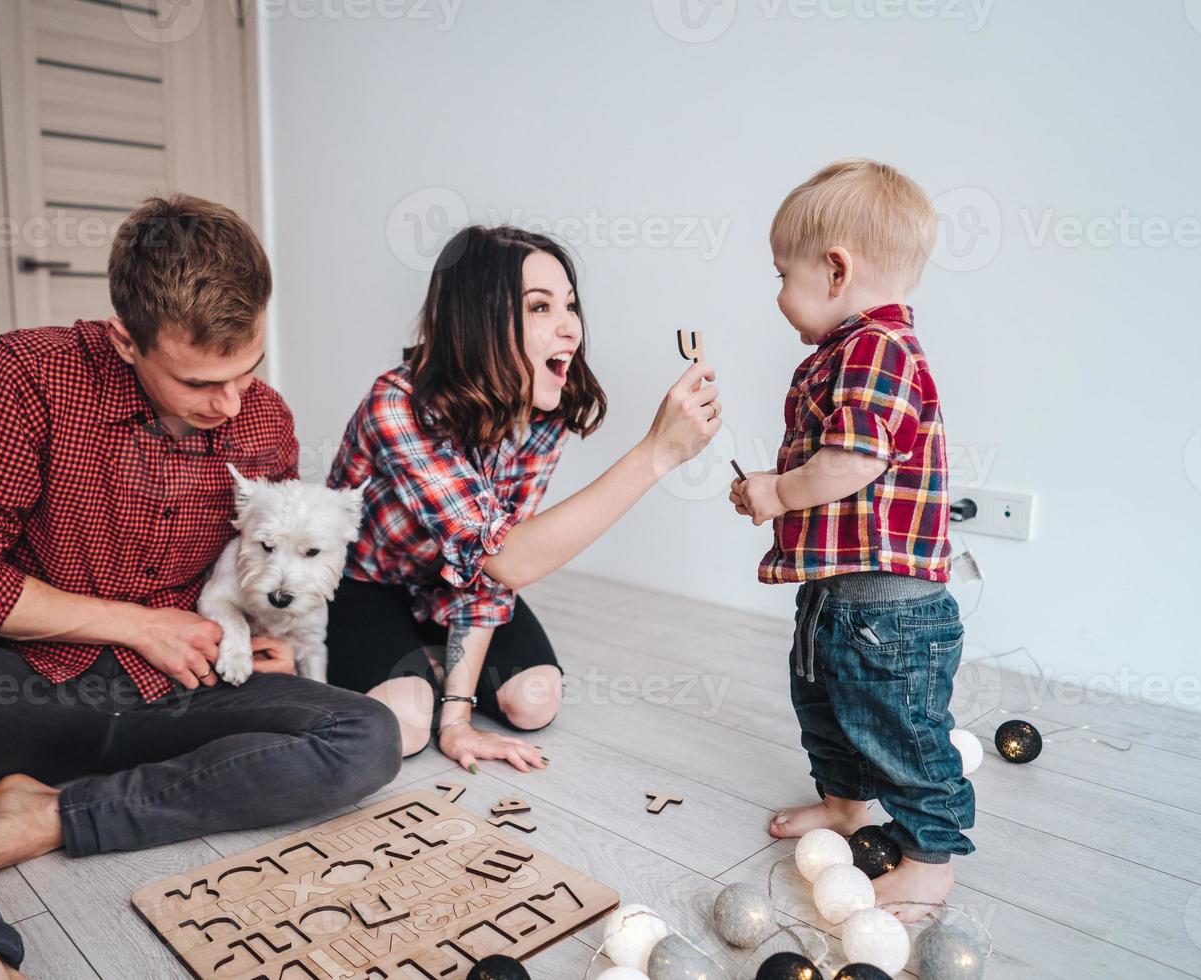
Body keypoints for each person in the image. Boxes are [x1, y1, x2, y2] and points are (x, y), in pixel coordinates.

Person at [0, 194, 402, 980]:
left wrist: (261, 637)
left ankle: (43, 817)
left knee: (366, 735)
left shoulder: (263, 419)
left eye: (249, 371)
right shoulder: (23, 376)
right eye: (201, 381)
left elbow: (257, 568)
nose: (232, 402)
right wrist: (138, 624)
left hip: (184, 693)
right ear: (125, 339)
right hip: (22, 696)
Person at [325, 225, 723, 771]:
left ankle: (434, 661)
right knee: (406, 726)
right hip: (369, 582)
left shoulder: (541, 413)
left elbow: (492, 570)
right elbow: (510, 556)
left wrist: (459, 719)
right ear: (476, 323)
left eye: (571, 305)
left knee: (535, 701)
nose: (569, 328)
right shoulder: (396, 404)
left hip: (454, 582)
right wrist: (657, 454)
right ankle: (415, 664)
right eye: (540, 308)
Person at [730, 159, 971, 920]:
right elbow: (840, 459)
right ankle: (843, 805)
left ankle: (930, 860)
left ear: (835, 269)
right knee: (827, 708)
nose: (776, 293)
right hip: (841, 597)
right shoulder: (850, 353)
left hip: (890, 612)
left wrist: (777, 492)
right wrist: (773, 484)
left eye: (781, 273)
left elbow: (855, 460)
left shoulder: (876, 350)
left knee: (900, 729)